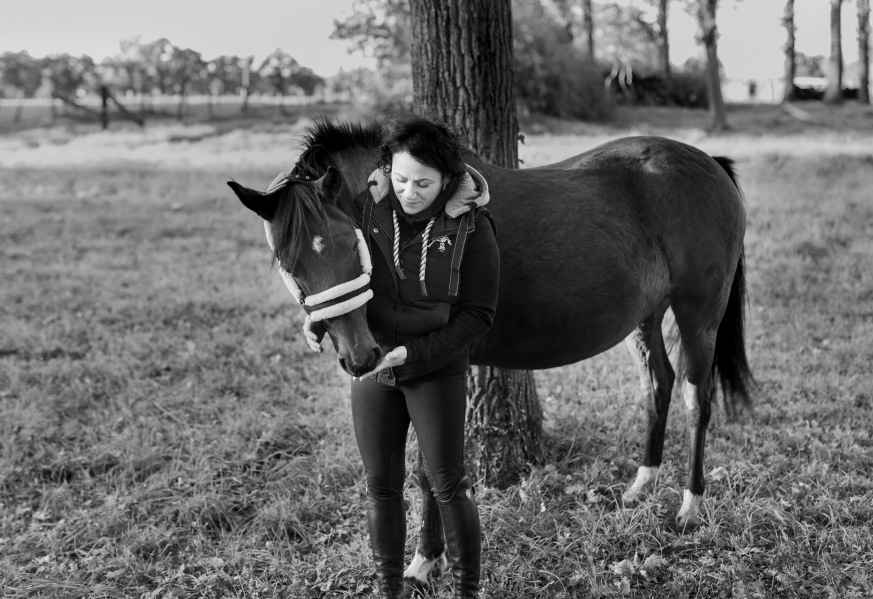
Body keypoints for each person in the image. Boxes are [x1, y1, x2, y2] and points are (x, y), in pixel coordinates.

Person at [301, 114, 499, 599]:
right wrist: (318, 317)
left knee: (448, 483)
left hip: (434, 371)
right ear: (386, 167)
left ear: (448, 180)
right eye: (402, 178)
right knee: (381, 486)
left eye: (424, 183)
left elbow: (478, 317)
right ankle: (390, 589)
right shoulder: (364, 212)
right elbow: (325, 261)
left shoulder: (473, 230)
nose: (410, 192)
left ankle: (466, 591)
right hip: (372, 368)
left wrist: (414, 352)